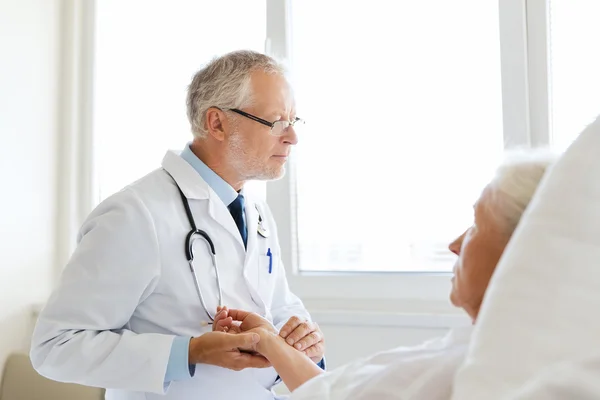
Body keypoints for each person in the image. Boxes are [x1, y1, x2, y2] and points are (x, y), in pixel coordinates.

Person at [30, 50, 325, 400]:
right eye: (277, 122)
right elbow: (55, 347)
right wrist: (189, 352)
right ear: (217, 123)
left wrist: (302, 337)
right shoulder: (135, 213)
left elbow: (278, 306)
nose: (292, 137)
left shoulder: (257, 213)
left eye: (294, 121)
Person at [215, 151, 557, 400]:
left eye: (477, 226)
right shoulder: (483, 346)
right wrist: (270, 342)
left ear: (522, 248)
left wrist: (269, 343)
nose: (454, 245)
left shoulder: (479, 368)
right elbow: (335, 391)